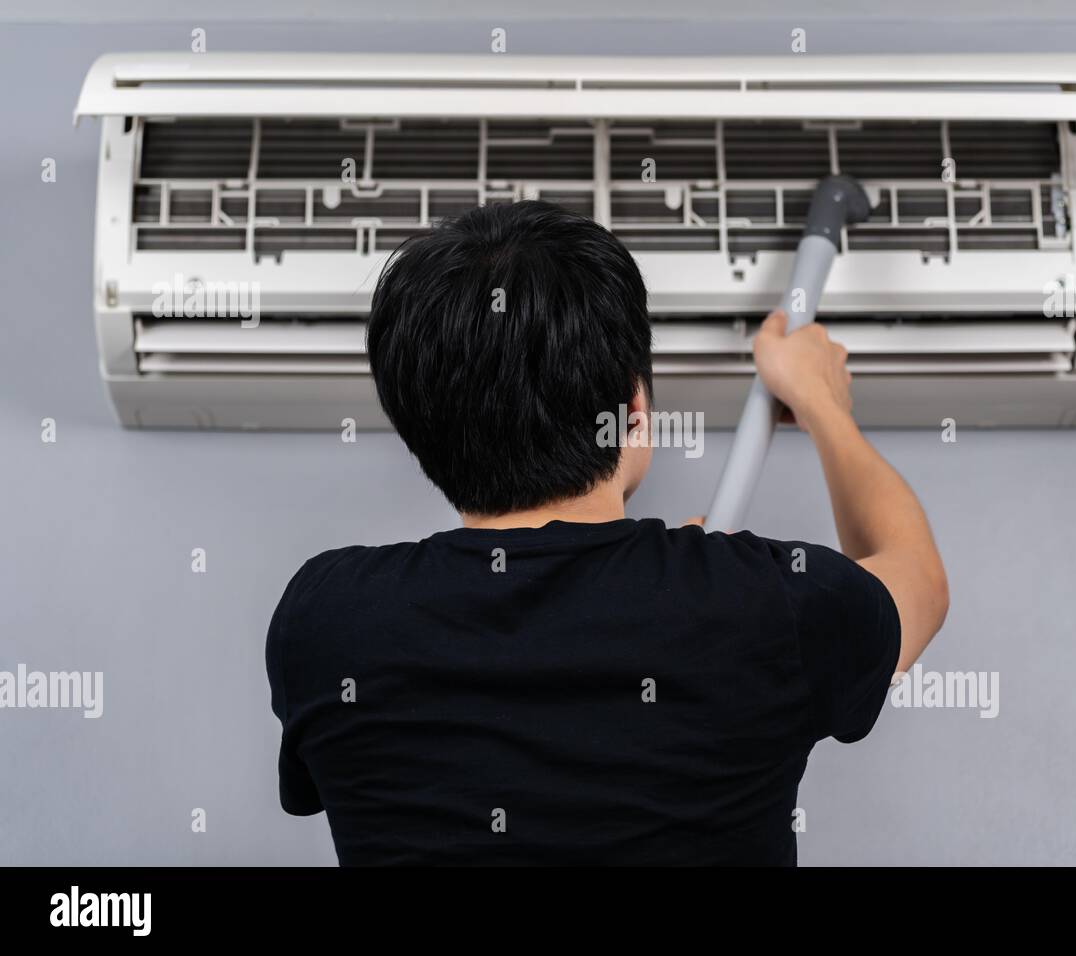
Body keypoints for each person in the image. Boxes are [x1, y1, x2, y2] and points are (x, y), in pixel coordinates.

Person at [266, 200, 948, 865]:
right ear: (636, 406)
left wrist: (696, 592)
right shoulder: (762, 608)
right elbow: (917, 578)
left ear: (416, 423)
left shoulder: (326, 622)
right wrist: (822, 404)